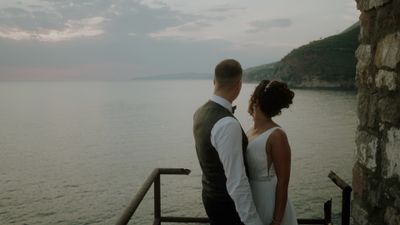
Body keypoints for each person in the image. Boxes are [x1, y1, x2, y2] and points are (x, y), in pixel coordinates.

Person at [193, 59, 264, 225]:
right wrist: (253, 222)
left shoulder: (199, 112)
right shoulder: (227, 124)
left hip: (210, 198)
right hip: (228, 208)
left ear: (214, 81)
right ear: (238, 85)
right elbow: (237, 181)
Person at [246, 80, 298, 225]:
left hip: (267, 198)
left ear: (255, 100)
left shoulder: (277, 135)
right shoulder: (249, 131)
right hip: (250, 196)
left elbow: (283, 181)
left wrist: (276, 221)